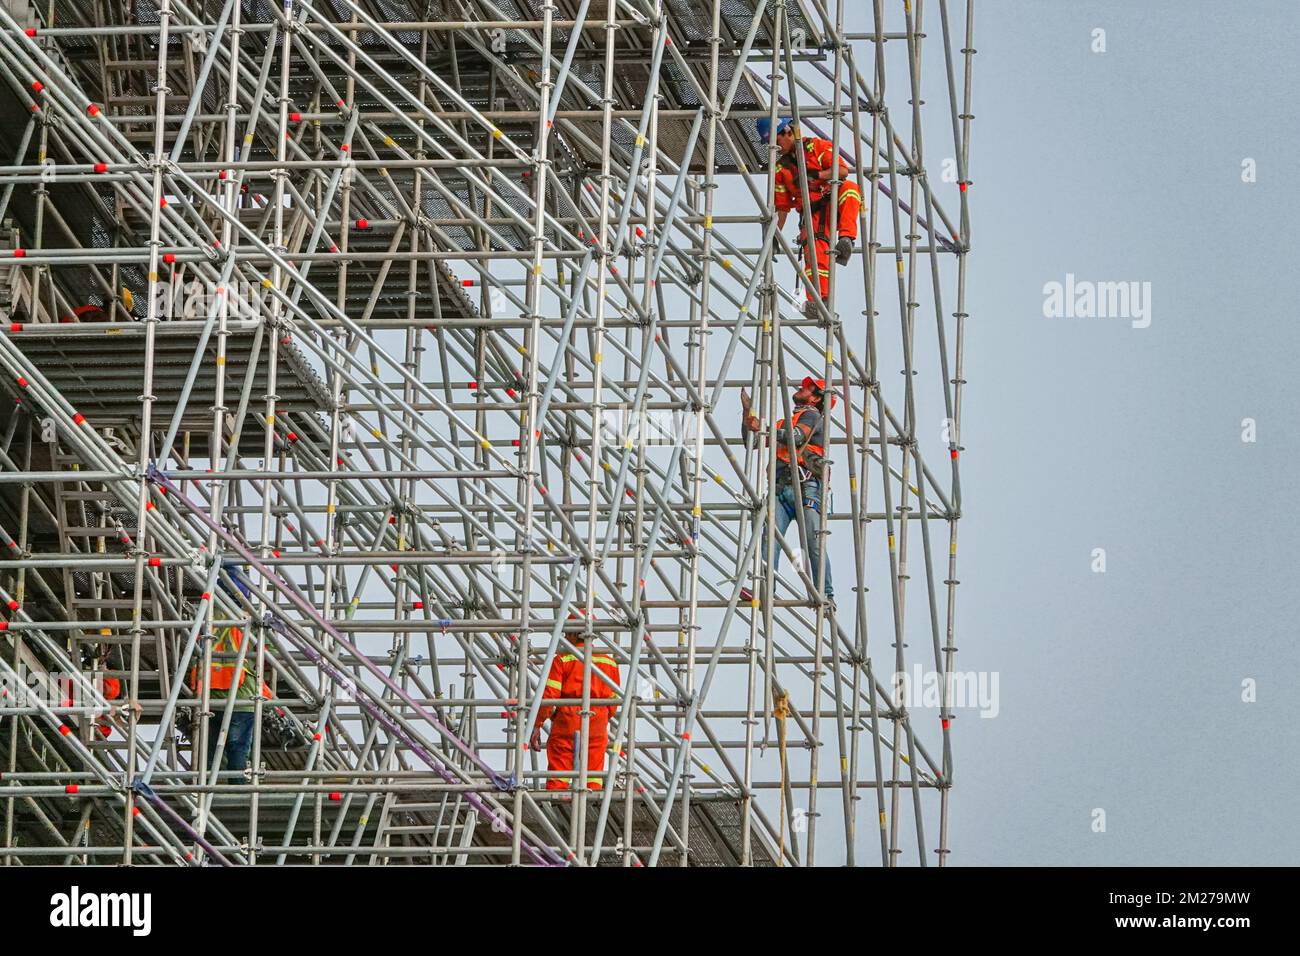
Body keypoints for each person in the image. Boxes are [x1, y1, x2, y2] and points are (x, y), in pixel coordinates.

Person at [740, 376, 835, 604]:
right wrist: (747, 416)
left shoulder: (813, 416)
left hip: (806, 488)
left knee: (813, 541)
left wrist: (761, 427)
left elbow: (796, 437)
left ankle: (826, 594)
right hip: (781, 489)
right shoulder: (786, 423)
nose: (802, 388)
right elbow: (752, 443)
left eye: (808, 388)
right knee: (768, 539)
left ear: (815, 399)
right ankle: (765, 589)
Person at [757, 116, 863, 299]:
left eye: (774, 141)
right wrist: (773, 236)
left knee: (850, 189)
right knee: (814, 255)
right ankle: (818, 301)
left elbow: (843, 171)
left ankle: (846, 239)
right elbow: (782, 208)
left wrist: (817, 175)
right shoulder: (780, 169)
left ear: (787, 132)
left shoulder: (817, 147)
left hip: (833, 202)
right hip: (812, 213)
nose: (773, 147)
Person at [188, 563, 270, 777]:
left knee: (209, 751)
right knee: (238, 750)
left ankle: (204, 791)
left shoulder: (206, 617)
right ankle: (239, 793)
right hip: (240, 692)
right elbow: (265, 654)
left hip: (208, 691)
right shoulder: (249, 618)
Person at [529, 625, 620, 791]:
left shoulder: (562, 660)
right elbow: (615, 700)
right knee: (593, 773)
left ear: (572, 633)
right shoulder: (609, 662)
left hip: (567, 721)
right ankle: (592, 806)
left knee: (560, 770)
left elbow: (549, 698)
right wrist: (602, 716)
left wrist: (537, 724)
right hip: (597, 723)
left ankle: (558, 802)